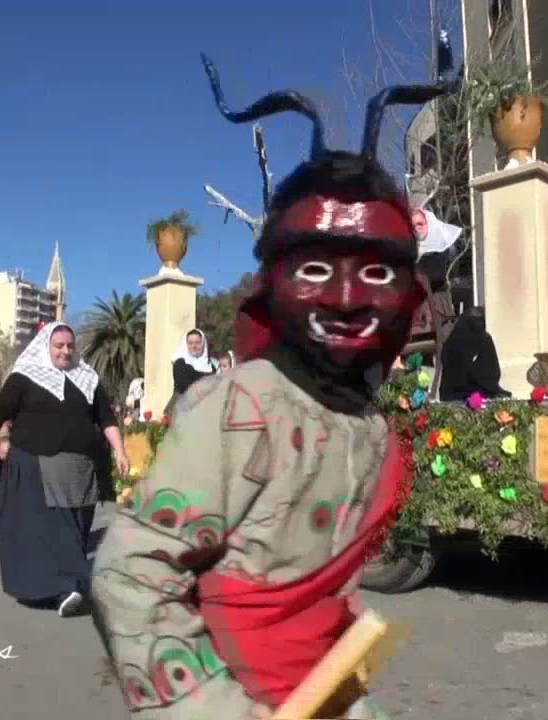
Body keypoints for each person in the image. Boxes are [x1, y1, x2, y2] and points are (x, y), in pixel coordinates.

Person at [87, 57, 439, 719]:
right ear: (272, 282)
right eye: (313, 267)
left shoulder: (367, 423)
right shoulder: (241, 409)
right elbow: (132, 574)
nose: (344, 297)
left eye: (373, 273)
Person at [0, 322, 129, 618]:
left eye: (69, 345)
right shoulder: (24, 378)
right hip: (37, 465)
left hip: (81, 468)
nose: (65, 351)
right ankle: (65, 589)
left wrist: (120, 451)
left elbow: (106, 418)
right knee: (54, 529)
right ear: (46, 346)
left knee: (78, 526)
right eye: (59, 346)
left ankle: (72, 584)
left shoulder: (87, 378)